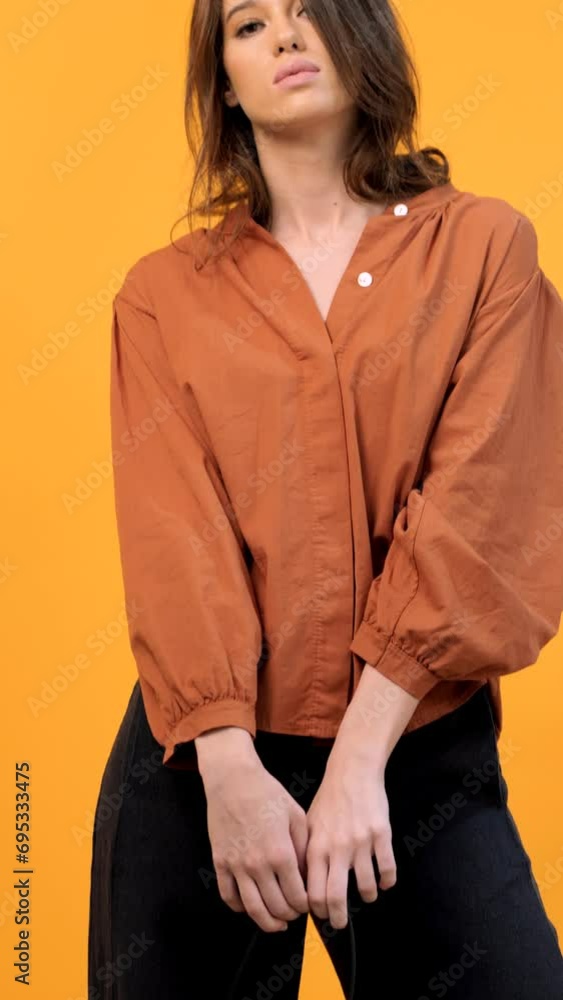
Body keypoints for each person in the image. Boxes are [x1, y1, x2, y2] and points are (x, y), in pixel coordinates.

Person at [88, 1, 563, 997]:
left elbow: (484, 509)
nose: (286, 36)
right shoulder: (163, 297)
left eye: (310, 11)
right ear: (222, 81)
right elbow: (175, 538)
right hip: (201, 768)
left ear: (363, 36)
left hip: (412, 754)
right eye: (248, 25)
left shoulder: (483, 251)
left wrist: (357, 762)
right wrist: (227, 768)